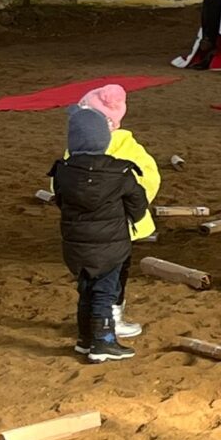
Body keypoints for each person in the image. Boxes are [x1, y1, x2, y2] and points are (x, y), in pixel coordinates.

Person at [48, 107, 148, 363]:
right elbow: (138, 203)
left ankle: (84, 339)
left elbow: (60, 200)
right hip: (111, 247)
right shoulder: (120, 172)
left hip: (76, 246)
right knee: (105, 291)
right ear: (104, 139)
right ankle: (103, 341)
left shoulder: (62, 171)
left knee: (86, 290)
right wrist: (129, 220)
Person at [75, 84, 160, 339]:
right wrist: (132, 211)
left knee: (97, 278)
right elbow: (146, 183)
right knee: (109, 277)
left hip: (94, 228)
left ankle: (101, 321)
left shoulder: (80, 149)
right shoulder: (126, 150)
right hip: (114, 229)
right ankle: (105, 321)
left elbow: (60, 186)